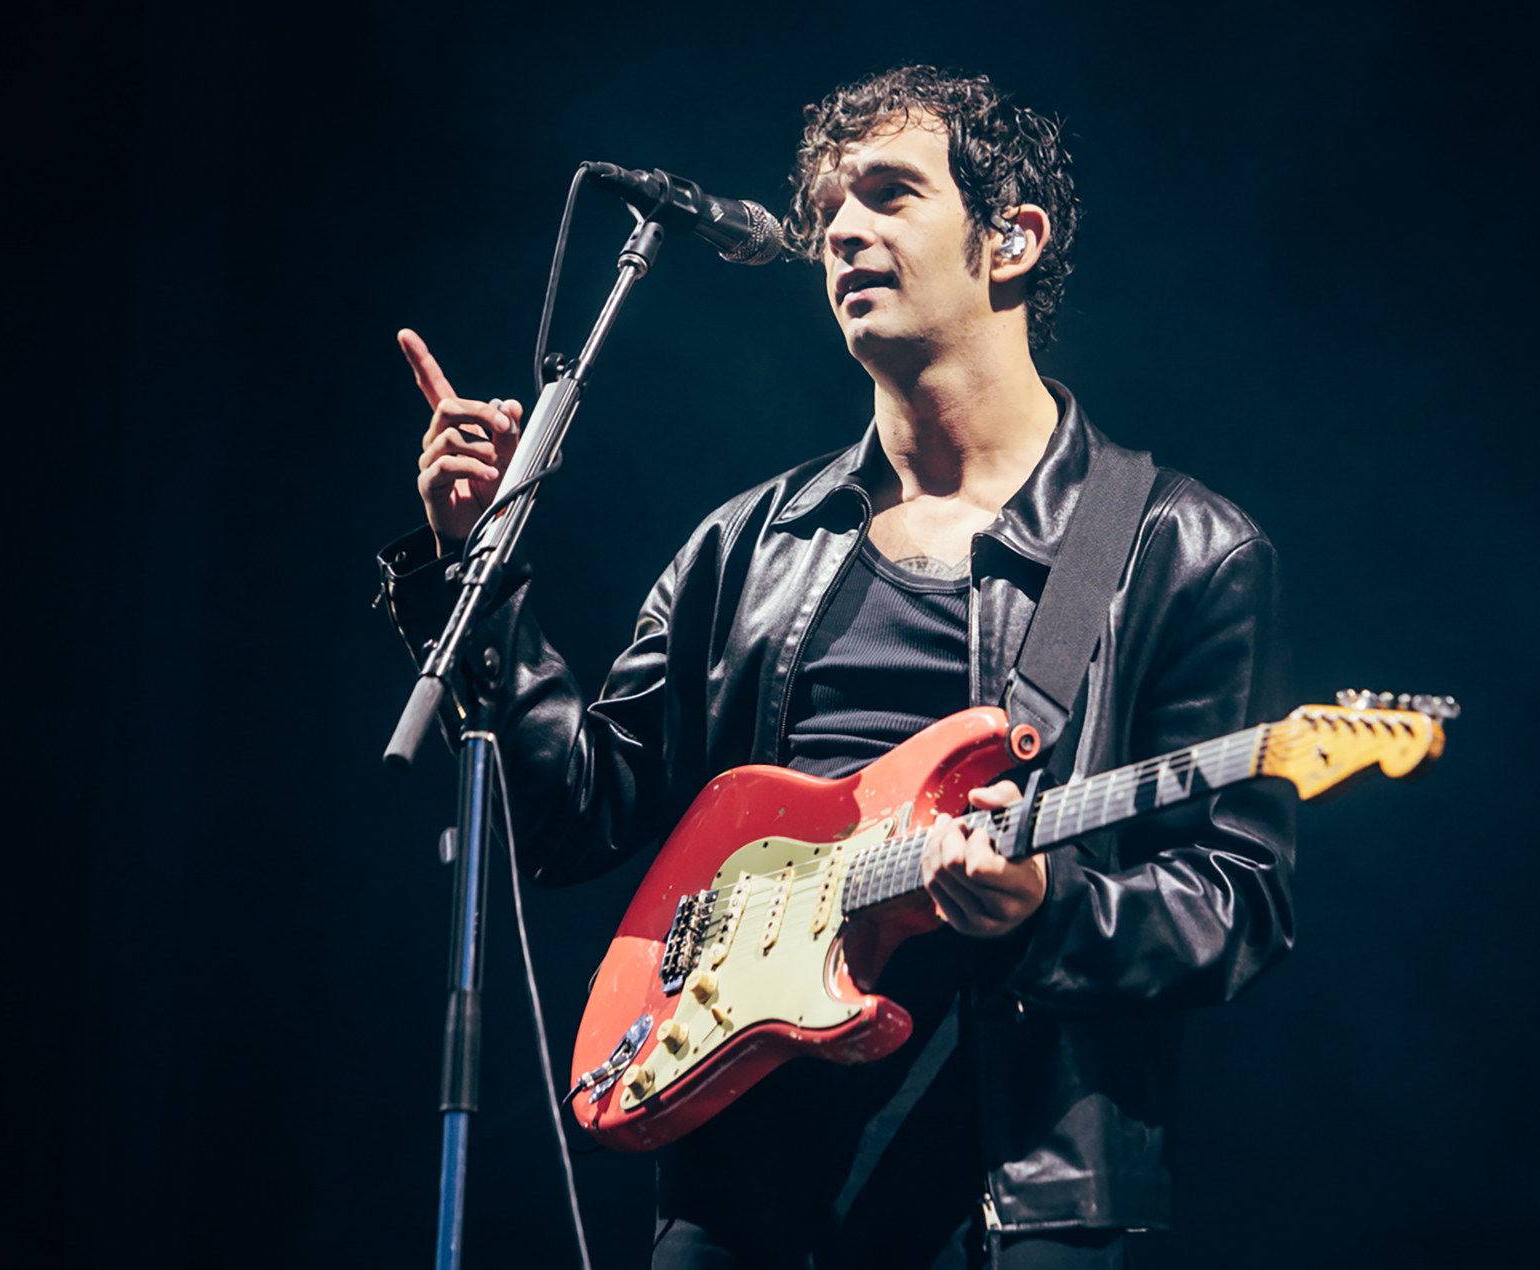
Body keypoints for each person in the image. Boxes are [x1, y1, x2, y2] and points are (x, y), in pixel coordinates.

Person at [378, 66, 1295, 1269]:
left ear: (1012, 238)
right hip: (735, 1186)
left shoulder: (1176, 547)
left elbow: (1237, 902)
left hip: (1012, 1198)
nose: (841, 232)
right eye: (826, 211)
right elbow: (573, 816)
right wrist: (474, 569)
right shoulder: (747, 546)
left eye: (889, 194)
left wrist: (1045, 906)